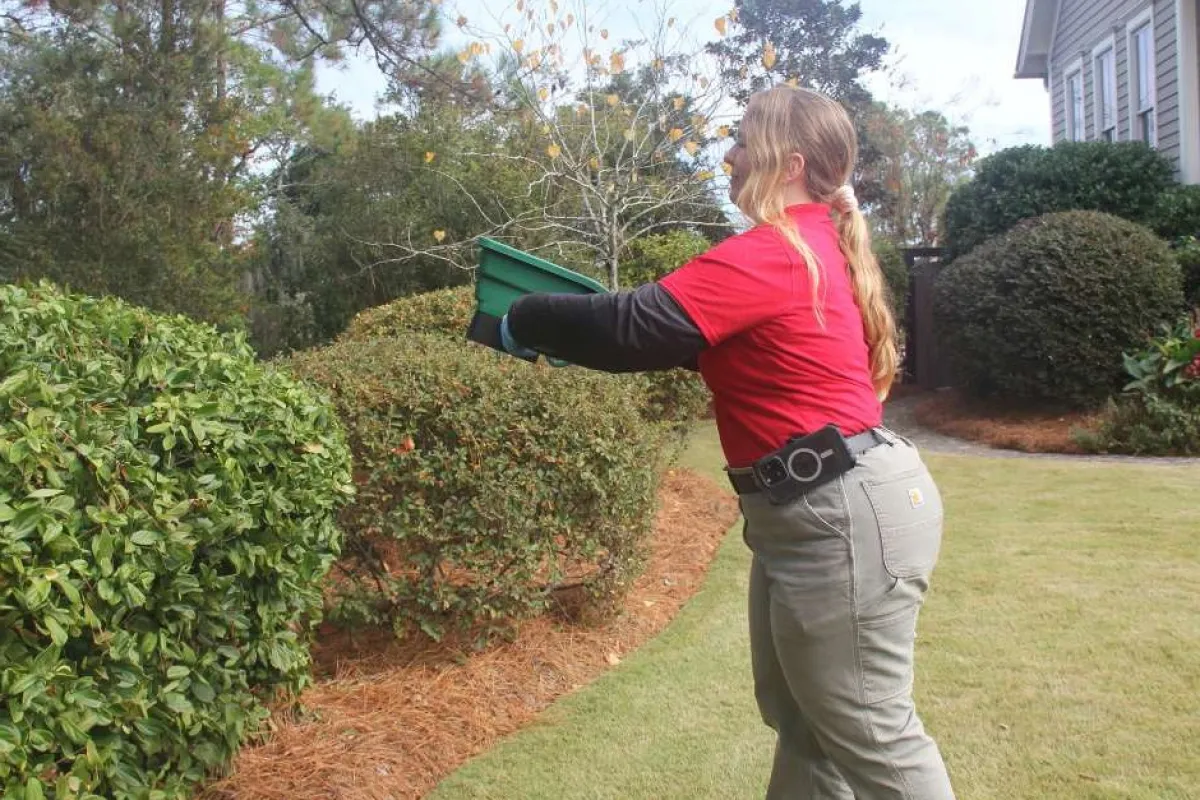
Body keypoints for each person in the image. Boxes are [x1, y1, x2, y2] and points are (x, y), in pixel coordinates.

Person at [499, 84, 955, 800]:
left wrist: (521, 315)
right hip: (818, 509)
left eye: (744, 139)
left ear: (791, 161)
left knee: (873, 734)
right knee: (809, 726)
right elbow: (677, 341)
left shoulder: (778, 251)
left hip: (837, 512)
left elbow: (633, 327)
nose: (730, 154)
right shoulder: (811, 248)